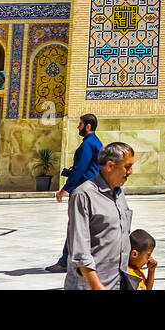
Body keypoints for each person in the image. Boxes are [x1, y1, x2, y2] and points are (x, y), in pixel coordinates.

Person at [64, 141, 134, 290]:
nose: (131, 172)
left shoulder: (119, 193)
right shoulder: (83, 195)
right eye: (127, 167)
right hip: (91, 285)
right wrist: (95, 285)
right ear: (110, 166)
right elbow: (80, 248)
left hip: (117, 281)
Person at [46, 113, 101, 273]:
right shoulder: (96, 142)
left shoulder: (87, 144)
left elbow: (81, 169)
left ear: (88, 126)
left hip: (84, 189)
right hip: (93, 188)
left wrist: (65, 189)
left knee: (75, 226)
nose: (78, 127)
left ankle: (65, 262)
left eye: (80, 124)